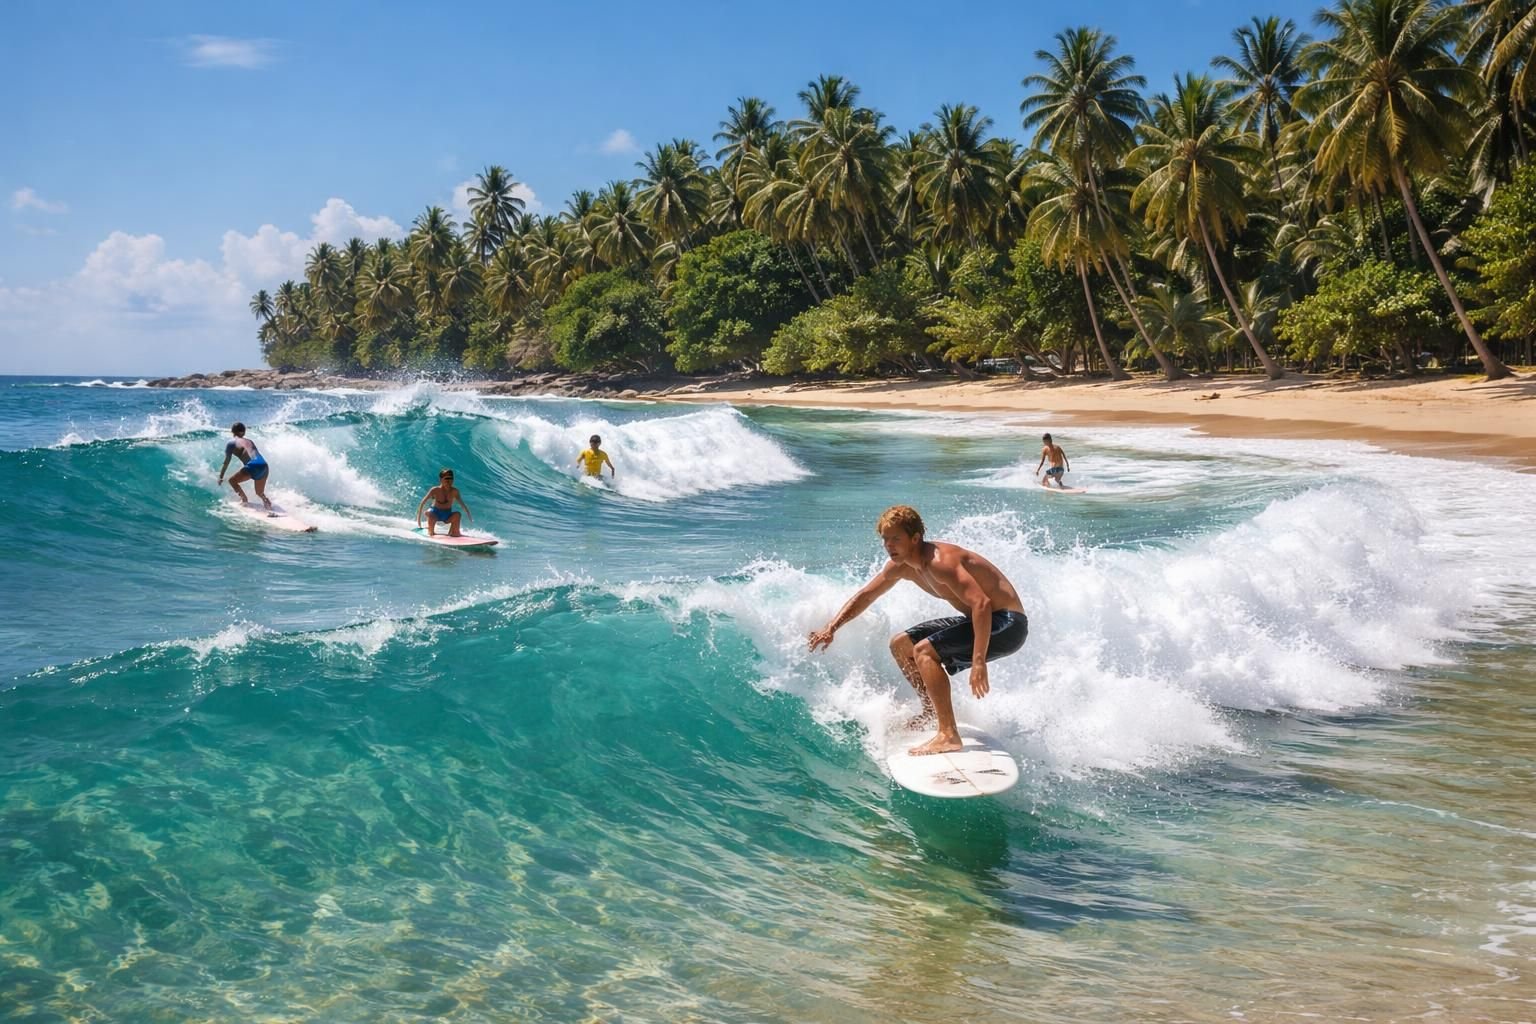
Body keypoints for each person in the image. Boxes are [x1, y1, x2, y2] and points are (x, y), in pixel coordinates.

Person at [807, 505, 1029, 756]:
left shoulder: (940, 562)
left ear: (915, 538)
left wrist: (979, 661)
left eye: (896, 539)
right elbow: (866, 595)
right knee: (901, 644)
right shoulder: (901, 567)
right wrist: (831, 627)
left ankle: (948, 734)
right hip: (981, 620)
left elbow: (982, 603)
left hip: (1008, 624)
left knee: (924, 651)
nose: (889, 545)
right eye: (885, 539)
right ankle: (931, 711)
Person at [217, 422, 272, 510]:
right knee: (259, 492)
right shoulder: (250, 441)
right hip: (264, 465)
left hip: (253, 465)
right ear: (244, 432)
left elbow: (226, 462)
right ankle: (267, 502)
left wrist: (220, 476)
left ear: (232, 431)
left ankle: (244, 500)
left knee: (232, 481)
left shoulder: (231, 443)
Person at [416, 468, 474, 537]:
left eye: (451, 478)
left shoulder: (454, 491)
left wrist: (469, 516)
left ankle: (454, 533)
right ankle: (430, 532)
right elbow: (422, 503)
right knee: (431, 515)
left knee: (457, 515)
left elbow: (462, 505)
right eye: (446, 478)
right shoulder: (435, 490)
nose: (449, 481)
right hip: (435, 513)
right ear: (441, 479)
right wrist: (419, 522)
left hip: (447, 514)